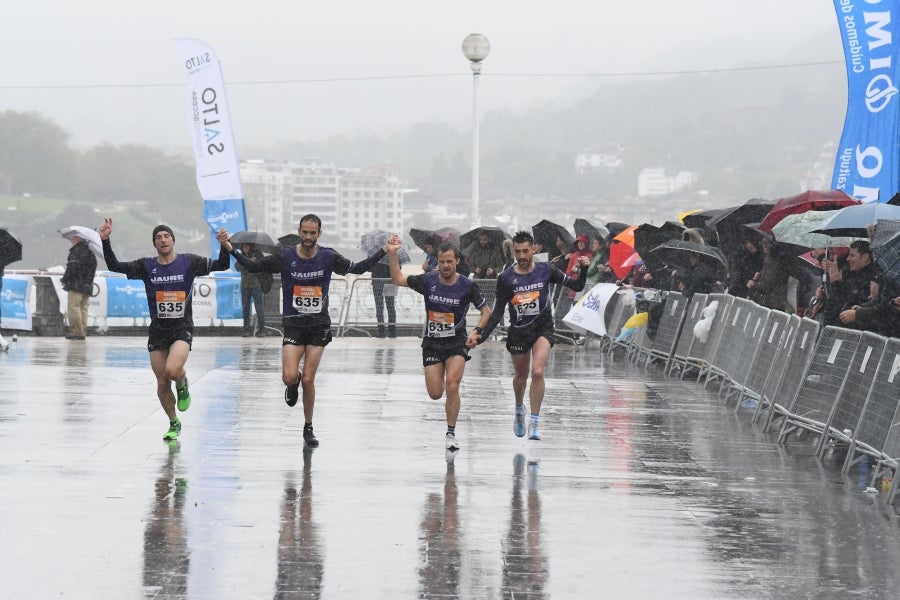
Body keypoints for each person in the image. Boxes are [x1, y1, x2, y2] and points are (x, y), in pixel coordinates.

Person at [221, 214, 397, 448]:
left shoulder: (328, 256)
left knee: (309, 379)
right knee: (290, 376)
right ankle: (291, 385)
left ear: (319, 234)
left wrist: (385, 250)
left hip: (317, 326)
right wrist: (229, 247)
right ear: (299, 231)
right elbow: (253, 267)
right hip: (294, 324)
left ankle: (308, 427)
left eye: (312, 233)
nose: (308, 237)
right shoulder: (285, 255)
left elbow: (358, 268)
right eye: (304, 232)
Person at [99, 218, 231, 441]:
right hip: (158, 330)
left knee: (172, 370)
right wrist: (105, 240)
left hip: (181, 328)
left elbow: (222, 265)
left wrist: (224, 245)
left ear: (173, 240)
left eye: (166, 236)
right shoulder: (147, 266)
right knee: (161, 381)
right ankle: (173, 422)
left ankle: (182, 383)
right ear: (155, 244)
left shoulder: (189, 262)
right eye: (158, 237)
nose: (162, 239)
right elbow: (115, 266)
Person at [478, 230, 589, 441]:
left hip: (542, 328)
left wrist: (584, 269)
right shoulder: (506, 278)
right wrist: (481, 336)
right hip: (519, 332)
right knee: (521, 377)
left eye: (525, 251)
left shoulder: (546, 270)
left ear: (534, 250)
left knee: (537, 372)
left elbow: (578, 285)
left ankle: (535, 421)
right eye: (517, 252)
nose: (521, 256)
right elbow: (498, 311)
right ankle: (520, 409)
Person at [386, 240, 491, 451]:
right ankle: (445, 391)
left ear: (457, 262)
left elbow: (486, 311)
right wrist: (392, 253)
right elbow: (397, 279)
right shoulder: (428, 280)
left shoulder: (467, 286)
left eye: (449, 262)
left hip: (457, 343)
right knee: (435, 393)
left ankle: (451, 433)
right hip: (433, 343)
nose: (445, 266)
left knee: (453, 385)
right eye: (442, 261)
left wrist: (476, 331)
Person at [818, 240, 877, 327]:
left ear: (865, 257)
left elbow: (840, 307)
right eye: (849, 254)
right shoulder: (854, 275)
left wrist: (836, 284)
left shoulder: (871, 279)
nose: (848, 259)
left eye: (852, 255)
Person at [61, 233, 97, 340]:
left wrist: (65, 280)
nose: (72, 239)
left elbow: (72, 267)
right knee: (83, 309)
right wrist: (87, 281)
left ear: (77, 239)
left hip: (76, 285)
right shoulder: (91, 253)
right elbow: (92, 269)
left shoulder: (75, 252)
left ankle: (76, 332)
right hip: (87, 285)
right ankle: (82, 330)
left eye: (73, 238)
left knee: (74, 308)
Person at [234, 243, 268, 337]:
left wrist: (253, 263)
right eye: (243, 246)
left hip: (256, 285)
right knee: (245, 308)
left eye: (246, 246)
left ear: (250, 246)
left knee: (259, 307)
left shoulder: (257, 255)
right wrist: (248, 262)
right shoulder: (241, 256)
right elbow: (237, 267)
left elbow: (262, 267)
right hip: (245, 285)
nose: (245, 248)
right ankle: (246, 330)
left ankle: (262, 330)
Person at [370, 258, 397, 338]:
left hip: (377, 281)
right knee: (391, 307)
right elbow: (398, 268)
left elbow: (369, 267)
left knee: (379, 307)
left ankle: (381, 332)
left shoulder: (374, 253)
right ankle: (392, 332)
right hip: (390, 281)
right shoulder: (393, 252)